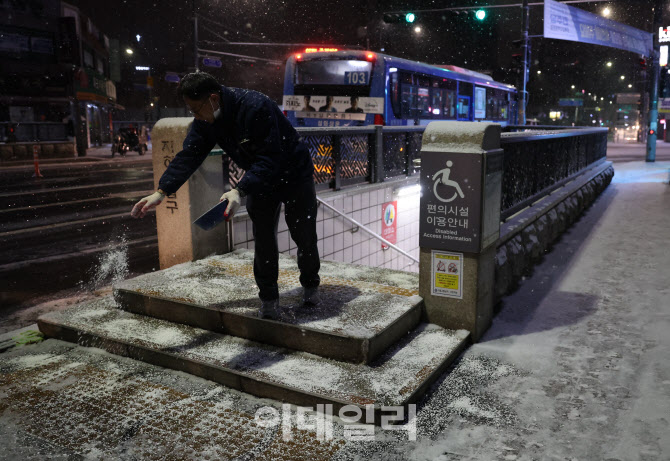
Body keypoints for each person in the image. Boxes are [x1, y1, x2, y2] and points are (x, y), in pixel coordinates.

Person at [130, 72, 321, 320]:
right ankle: (269, 300)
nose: (196, 116)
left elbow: (270, 157)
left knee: (303, 234)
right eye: (191, 111)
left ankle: (310, 284)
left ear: (213, 98)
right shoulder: (207, 119)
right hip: (259, 179)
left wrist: (239, 190)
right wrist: (162, 191)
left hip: (293, 174)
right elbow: (190, 154)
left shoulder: (255, 106)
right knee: (263, 238)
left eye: (197, 109)